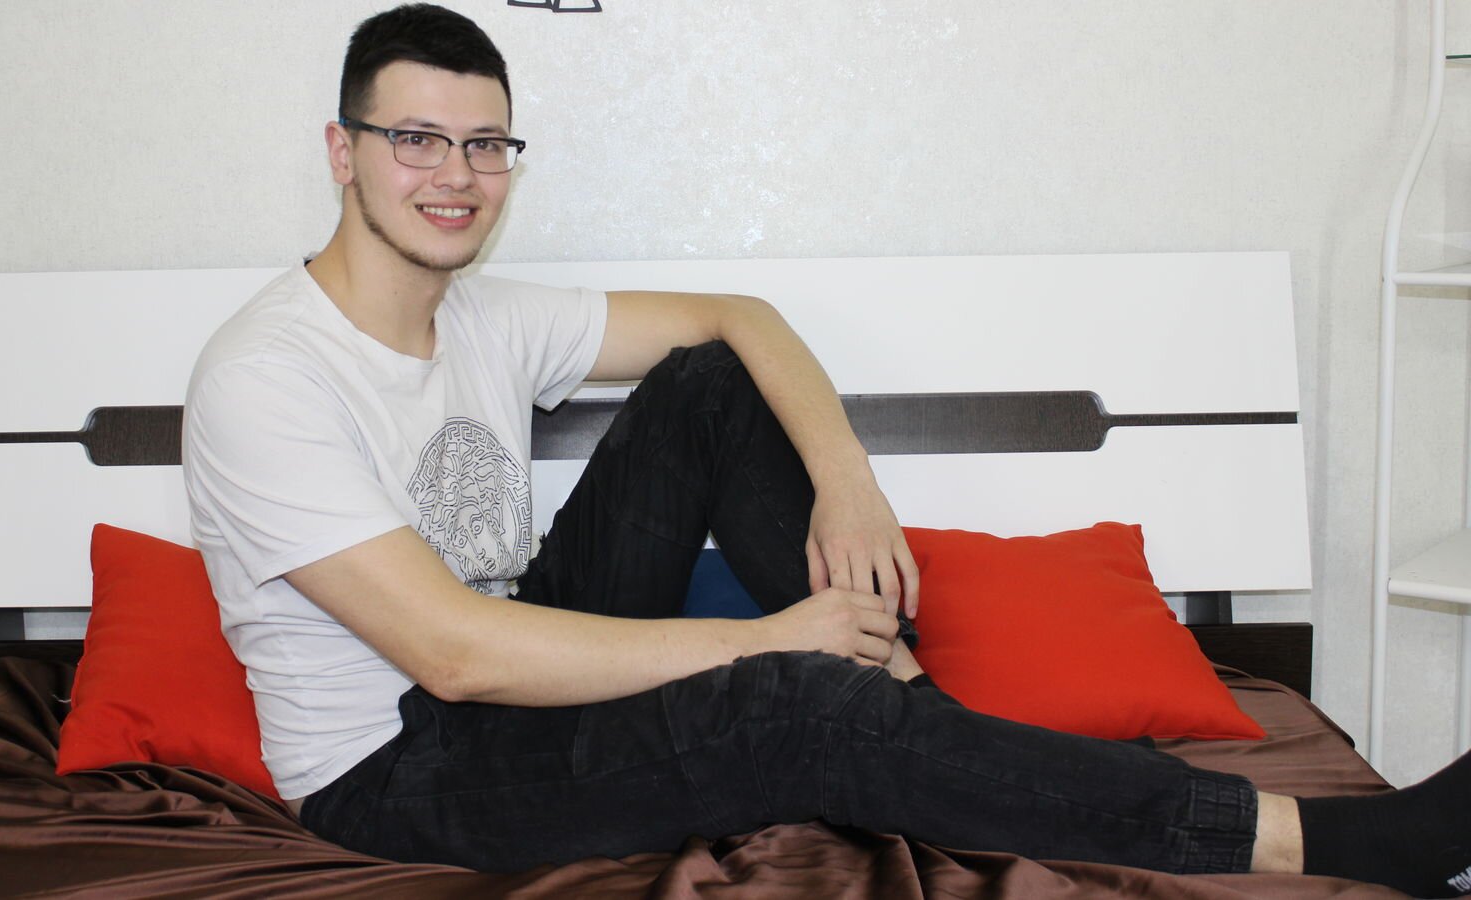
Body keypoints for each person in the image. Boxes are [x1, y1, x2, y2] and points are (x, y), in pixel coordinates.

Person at [181, 5, 1471, 895]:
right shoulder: (266, 377)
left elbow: (742, 318)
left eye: (484, 144)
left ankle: (927, 733)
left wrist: (851, 491)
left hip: (512, 652)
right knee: (799, 704)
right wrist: (771, 644)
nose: (454, 175)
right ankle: (1318, 841)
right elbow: (456, 657)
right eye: (414, 140)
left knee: (708, 382)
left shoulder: (482, 316)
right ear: (344, 153)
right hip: (399, 769)